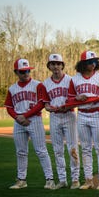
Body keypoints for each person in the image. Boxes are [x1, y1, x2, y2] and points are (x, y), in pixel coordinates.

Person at [5, 58, 56, 190]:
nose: (26, 73)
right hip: (18, 122)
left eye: (27, 70)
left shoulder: (38, 85)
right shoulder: (12, 88)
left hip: (34, 120)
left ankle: (49, 179)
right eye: (22, 71)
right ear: (16, 72)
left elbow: (41, 103)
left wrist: (25, 116)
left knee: (41, 151)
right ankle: (21, 180)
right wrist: (18, 117)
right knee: (21, 152)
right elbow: (9, 106)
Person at [68, 50, 99, 190]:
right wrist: (76, 98)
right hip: (82, 113)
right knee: (86, 148)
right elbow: (69, 98)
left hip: (97, 113)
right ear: (83, 63)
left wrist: (98, 98)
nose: (93, 64)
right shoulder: (74, 79)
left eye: (94, 61)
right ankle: (88, 180)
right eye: (89, 62)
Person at [42, 53, 81, 189]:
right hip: (55, 117)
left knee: (72, 148)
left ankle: (75, 179)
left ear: (62, 65)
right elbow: (45, 104)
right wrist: (49, 108)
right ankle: (62, 179)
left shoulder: (70, 80)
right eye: (53, 64)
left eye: (58, 64)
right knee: (57, 149)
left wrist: (68, 106)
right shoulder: (45, 83)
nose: (56, 66)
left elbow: (76, 100)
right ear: (49, 66)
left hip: (69, 115)